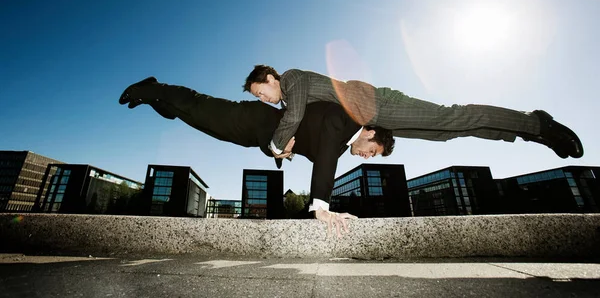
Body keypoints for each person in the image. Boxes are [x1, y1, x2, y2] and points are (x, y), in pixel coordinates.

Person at [119, 77, 395, 237]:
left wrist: (284, 152)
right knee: (202, 107)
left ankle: (162, 102)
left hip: (254, 137)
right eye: (372, 151)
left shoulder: (337, 146)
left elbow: (318, 153)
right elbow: (325, 162)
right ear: (369, 132)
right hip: (256, 121)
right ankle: (152, 88)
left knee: (203, 123)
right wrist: (320, 207)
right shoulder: (341, 120)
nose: (366, 157)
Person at [243, 65, 584, 160]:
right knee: (448, 133)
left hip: (380, 105)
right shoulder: (289, 99)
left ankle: (536, 121)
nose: (266, 99)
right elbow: (302, 122)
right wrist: (291, 147)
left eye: (262, 92)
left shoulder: (291, 80)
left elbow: (293, 117)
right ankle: (523, 132)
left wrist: (276, 146)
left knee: (454, 117)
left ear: (271, 78)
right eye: (261, 97)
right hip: (376, 120)